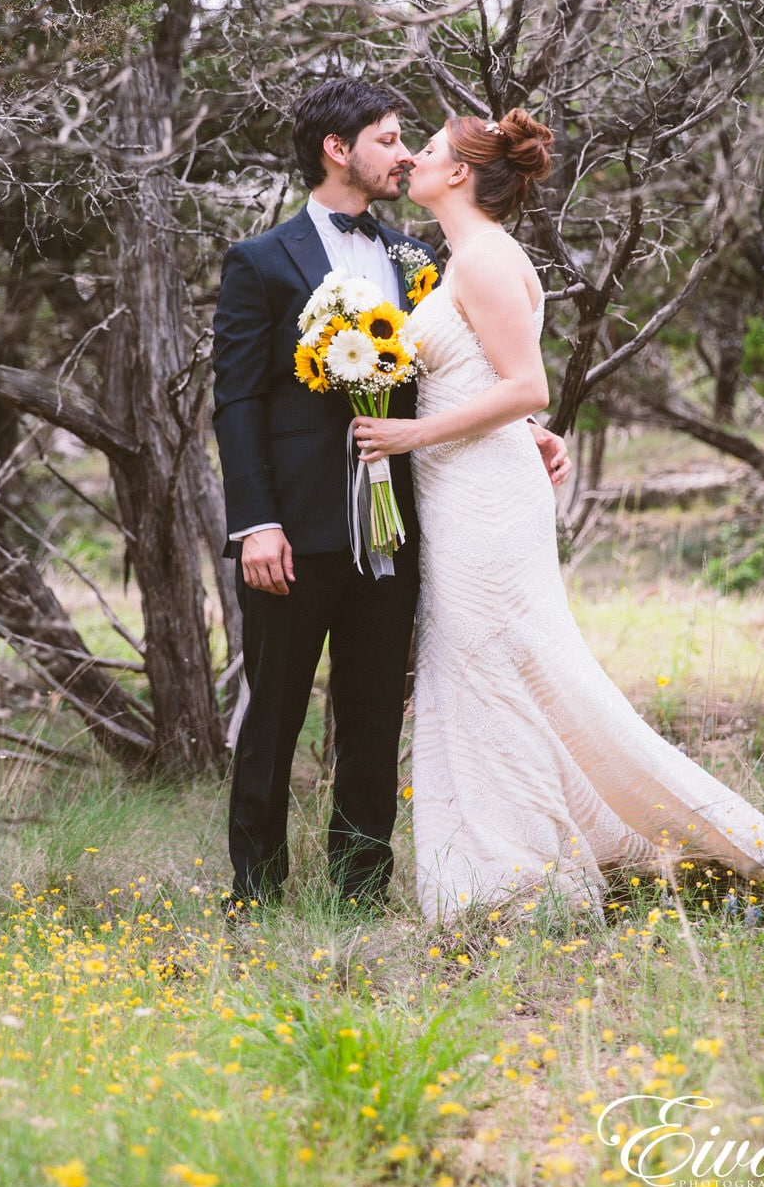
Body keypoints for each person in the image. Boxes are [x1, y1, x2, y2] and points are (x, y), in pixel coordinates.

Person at [354, 108, 764, 922]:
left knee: (496, 667)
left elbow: (528, 384)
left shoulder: (487, 260)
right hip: (462, 489)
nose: (413, 163)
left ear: (459, 173)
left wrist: (412, 432)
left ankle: (523, 871)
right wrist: (516, 431)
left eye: (426, 152)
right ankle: (509, 866)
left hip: (483, 504)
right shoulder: (460, 258)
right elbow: (492, 386)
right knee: (479, 674)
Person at [211, 78, 571, 914]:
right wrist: (255, 523)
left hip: (399, 527)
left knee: (374, 712)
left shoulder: (420, 259)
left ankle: (360, 892)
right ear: (338, 151)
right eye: (385, 138)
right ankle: (255, 895)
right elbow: (236, 401)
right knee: (273, 714)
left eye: (407, 140)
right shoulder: (259, 262)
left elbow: (455, 378)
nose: (403, 153)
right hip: (293, 531)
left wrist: (527, 432)